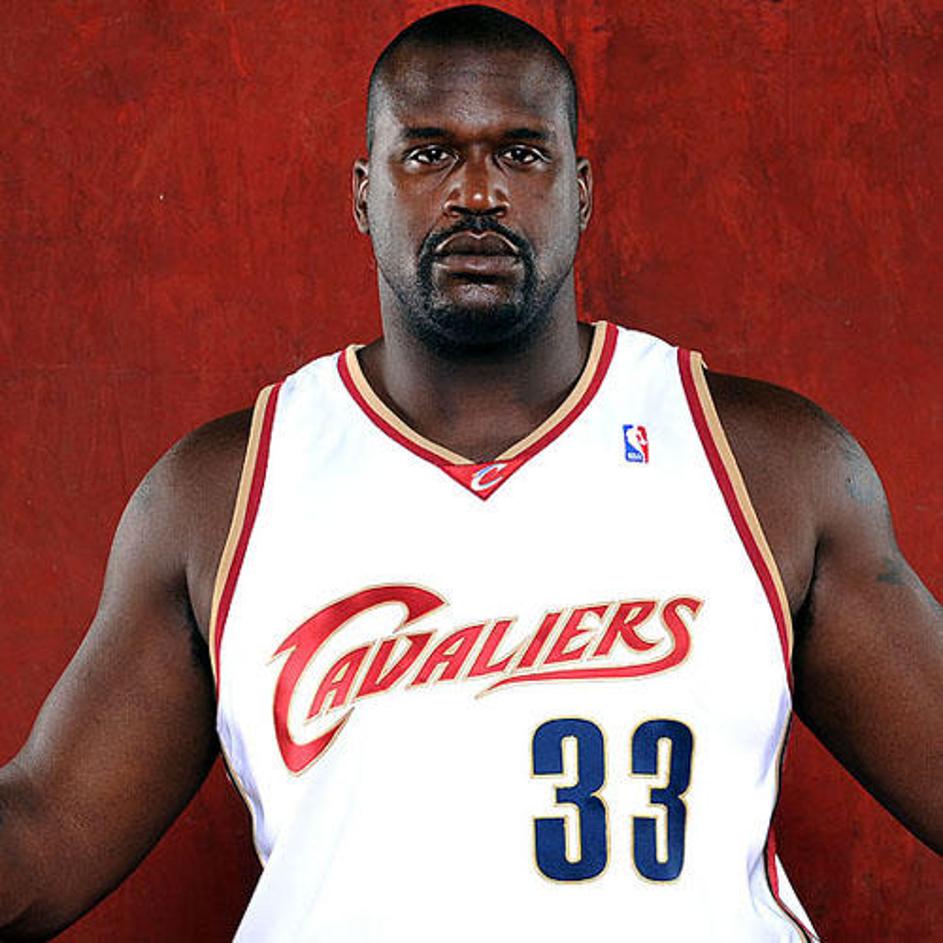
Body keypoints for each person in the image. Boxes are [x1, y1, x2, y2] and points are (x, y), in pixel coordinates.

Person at [0, 4, 939, 941]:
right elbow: (42, 837)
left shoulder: (764, 461)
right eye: (428, 154)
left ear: (580, 191)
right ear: (363, 193)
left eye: (521, 154)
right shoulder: (222, 492)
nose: (478, 193)